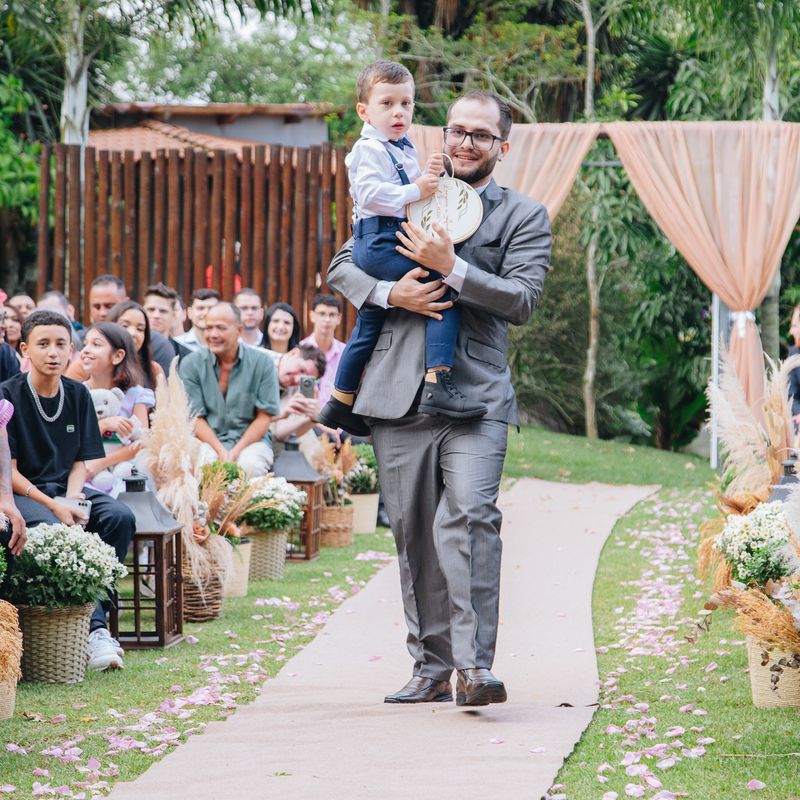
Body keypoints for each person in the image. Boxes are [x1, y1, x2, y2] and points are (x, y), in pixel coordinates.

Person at [326, 90, 551, 706]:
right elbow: (343, 264)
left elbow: (523, 300)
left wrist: (452, 268)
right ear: (443, 136)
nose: (465, 143)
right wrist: (389, 294)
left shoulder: (523, 215)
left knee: (472, 517)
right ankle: (430, 667)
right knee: (414, 535)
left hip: (476, 398)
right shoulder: (404, 190)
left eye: (480, 135)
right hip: (395, 394)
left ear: (502, 146)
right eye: (456, 131)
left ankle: (474, 669)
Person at [319, 61, 485, 436]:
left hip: (384, 235)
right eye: (387, 103)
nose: (399, 112)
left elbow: (410, 192)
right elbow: (371, 195)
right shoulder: (368, 149)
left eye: (406, 104)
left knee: (369, 320)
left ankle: (339, 401)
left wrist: (427, 176)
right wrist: (416, 189)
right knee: (443, 287)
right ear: (364, 111)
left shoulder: (399, 147)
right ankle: (438, 381)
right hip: (380, 239)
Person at [1, 309, 135, 670]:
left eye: (61, 344)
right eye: (43, 344)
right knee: (56, 528)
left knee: (119, 517)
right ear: (25, 349)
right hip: (25, 494)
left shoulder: (77, 394)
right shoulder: (7, 395)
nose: (53, 352)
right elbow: (8, 471)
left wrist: (73, 498)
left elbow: (80, 461)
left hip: (68, 488)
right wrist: (56, 506)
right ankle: (93, 631)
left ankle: (95, 621)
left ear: (71, 350)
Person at [179, 303, 280, 477]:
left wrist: (235, 452)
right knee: (206, 468)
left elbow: (264, 417)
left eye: (220, 328)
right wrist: (221, 451)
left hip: (251, 442)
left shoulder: (262, 363)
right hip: (206, 441)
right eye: (208, 328)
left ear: (238, 330)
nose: (213, 334)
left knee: (249, 467)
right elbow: (195, 418)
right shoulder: (191, 364)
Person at [80, 322, 153, 494]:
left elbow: (141, 442)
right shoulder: (78, 393)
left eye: (96, 344)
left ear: (117, 356)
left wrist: (101, 463)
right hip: (86, 473)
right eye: (85, 344)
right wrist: (103, 425)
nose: (86, 350)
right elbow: (74, 439)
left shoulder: (135, 395)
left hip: (126, 472)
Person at [84, 275, 175, 372]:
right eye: (96, 307)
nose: (103, 313)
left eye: (109, 306)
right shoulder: (85, 356)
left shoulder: (157, 352)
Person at [300, 294, 346, 408]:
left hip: (337, 417)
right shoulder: (299, 350)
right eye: (322, 314)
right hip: (306, 415)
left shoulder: (346, 353)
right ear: (312, 316)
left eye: (332, 315)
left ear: (339, 318)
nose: (327, 319)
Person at [107, 301, 165, 390]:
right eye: (125, 326)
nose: (133, 333)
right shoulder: (92, 364)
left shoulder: (154, 370)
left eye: (140, 329)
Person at [142, 283, 190, 371]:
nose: (156, 315)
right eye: (151, 309)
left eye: (163, 311)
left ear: (173, 316)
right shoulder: (132, 348)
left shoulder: (186, 356)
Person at [175, 288, 220, 352]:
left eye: (211, 308)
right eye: (200, 308)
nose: (206, 313)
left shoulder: (229, 343)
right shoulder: (177, 344)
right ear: (190, 313)